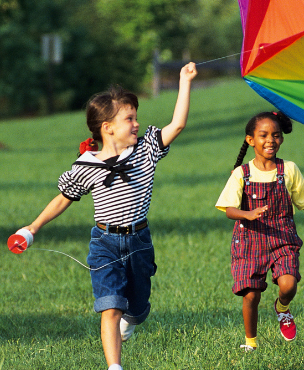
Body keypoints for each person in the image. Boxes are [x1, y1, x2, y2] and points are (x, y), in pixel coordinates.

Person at [19, 63, 197, 370]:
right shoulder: (86, 165)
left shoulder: (146, 149)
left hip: (139, 241)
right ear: (108, 126)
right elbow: (64, 199)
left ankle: (131, 322)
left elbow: (177, 125)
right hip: (104, 242)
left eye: (136, 116)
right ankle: (114, 366)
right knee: (110, 306)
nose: (137, 123)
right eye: (129, 118)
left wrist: (185, 81)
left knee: (138, 309)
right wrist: (32, 228)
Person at [214, 111, 304, 351]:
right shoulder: (242, 174)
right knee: (251, 295)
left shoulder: (289, 169)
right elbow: (229, 208)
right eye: (263, 135)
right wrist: (246, 214)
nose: (270, 140)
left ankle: (282, 308)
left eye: (276, 135)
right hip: (250, 242)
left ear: (281, 139)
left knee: (289, 285)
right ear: (251, 140)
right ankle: (250, 343)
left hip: (282, 238)